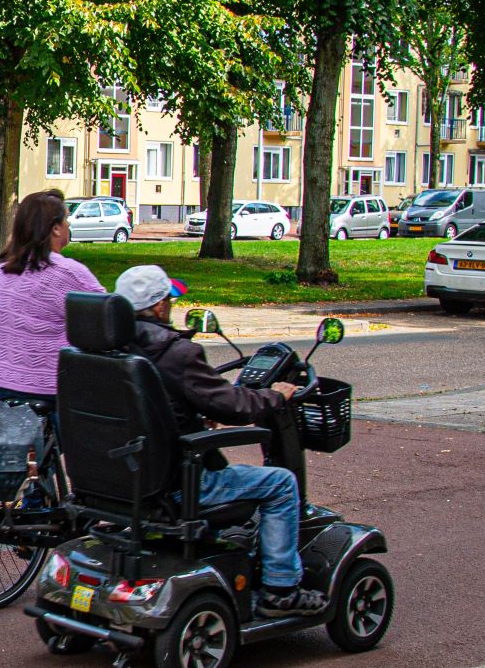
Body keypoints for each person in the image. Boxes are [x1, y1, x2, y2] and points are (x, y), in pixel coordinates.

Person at [114, 264, 328, 618]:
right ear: (158, 307)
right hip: (173, 486)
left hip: (123, 482)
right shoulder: (177, 354)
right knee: (281, 484)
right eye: (169, 298)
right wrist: (276, 396)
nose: (171, 304)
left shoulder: (106, 352)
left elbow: (149, 407)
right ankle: (280, 587)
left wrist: (193, 415)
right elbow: (234, 405)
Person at [0, 190, 105, 406]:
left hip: (2, 379)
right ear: (56, 228)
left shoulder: (5, 269)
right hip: (47, 384)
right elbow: (107, 316)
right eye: (66, 220)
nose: (69, 225)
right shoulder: (68, 272)